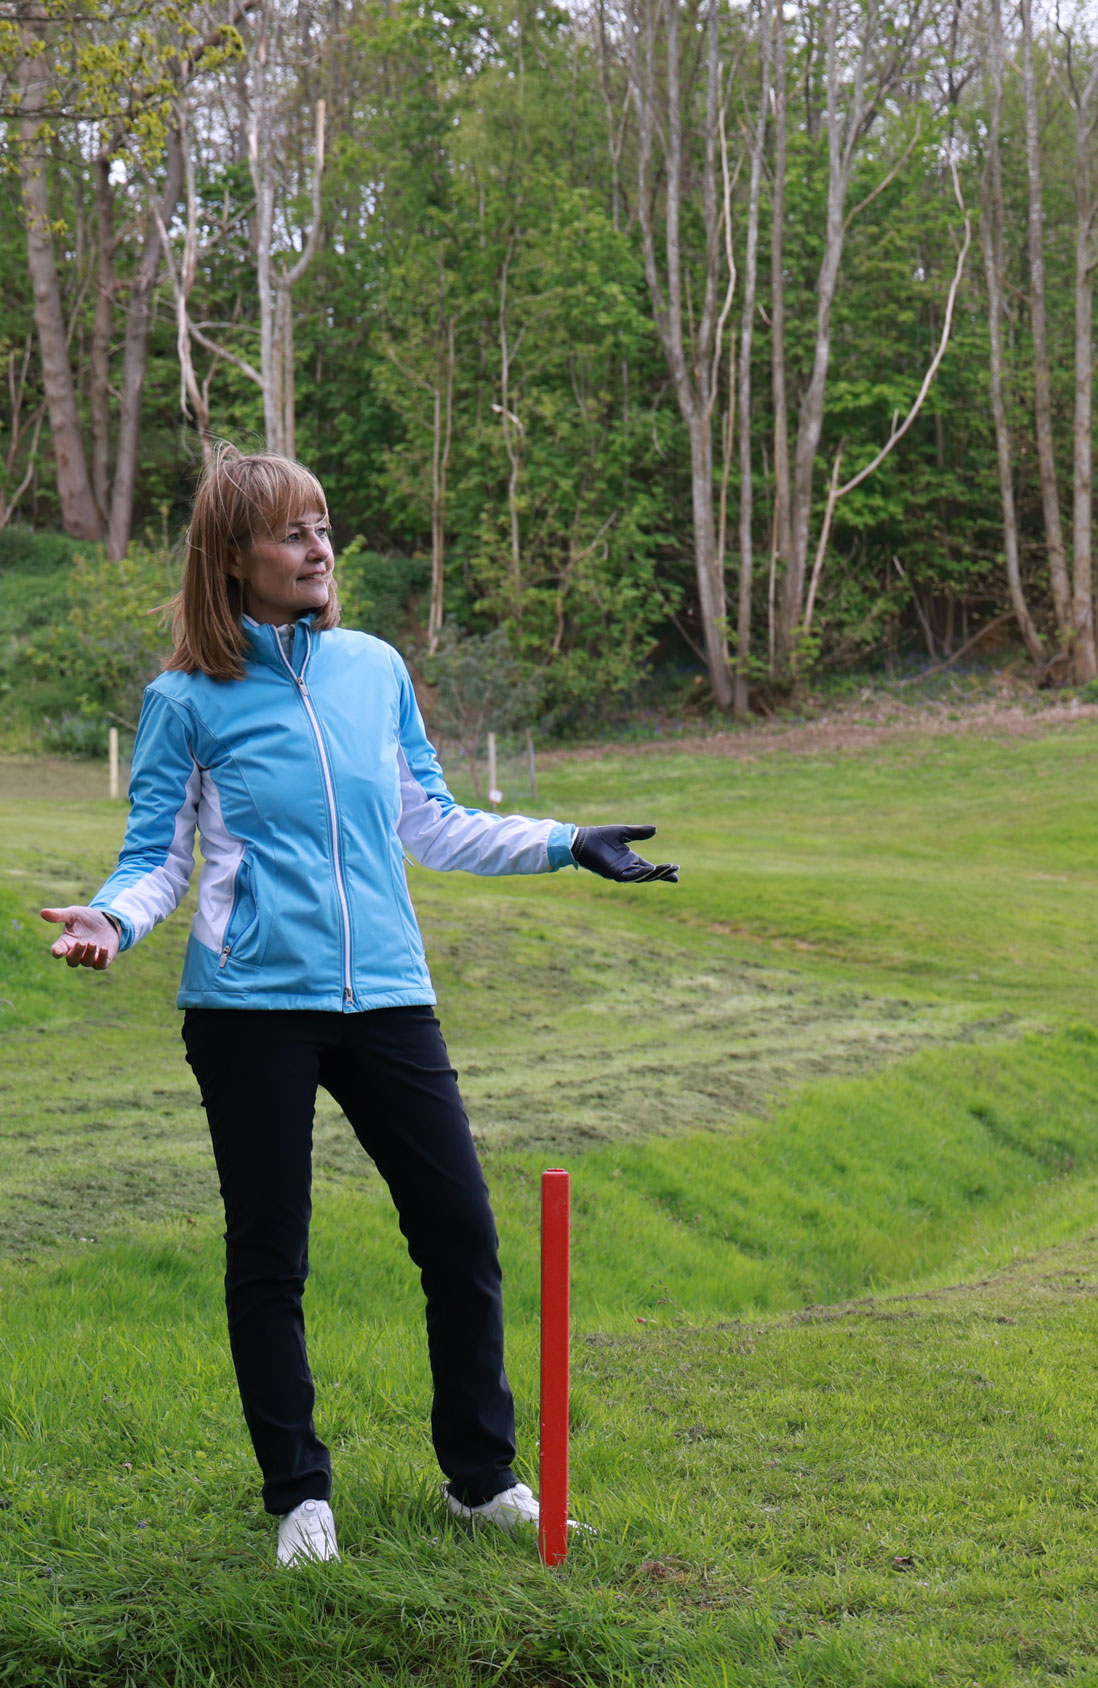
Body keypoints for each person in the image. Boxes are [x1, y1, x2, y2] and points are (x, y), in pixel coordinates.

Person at [38, 453, 679, 1568]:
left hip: (388, 996)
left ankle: (481, 1480)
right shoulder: (184, 698)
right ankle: (299, 1494)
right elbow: (158, 857)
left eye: (323, 527)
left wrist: (568, 843)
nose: (319, 549)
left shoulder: (375, 669)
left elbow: (432, 819)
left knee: (461, 1235)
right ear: (233, 557)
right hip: (249, 1011)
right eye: (291, 534)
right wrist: (111, 918)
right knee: (270, 1256)